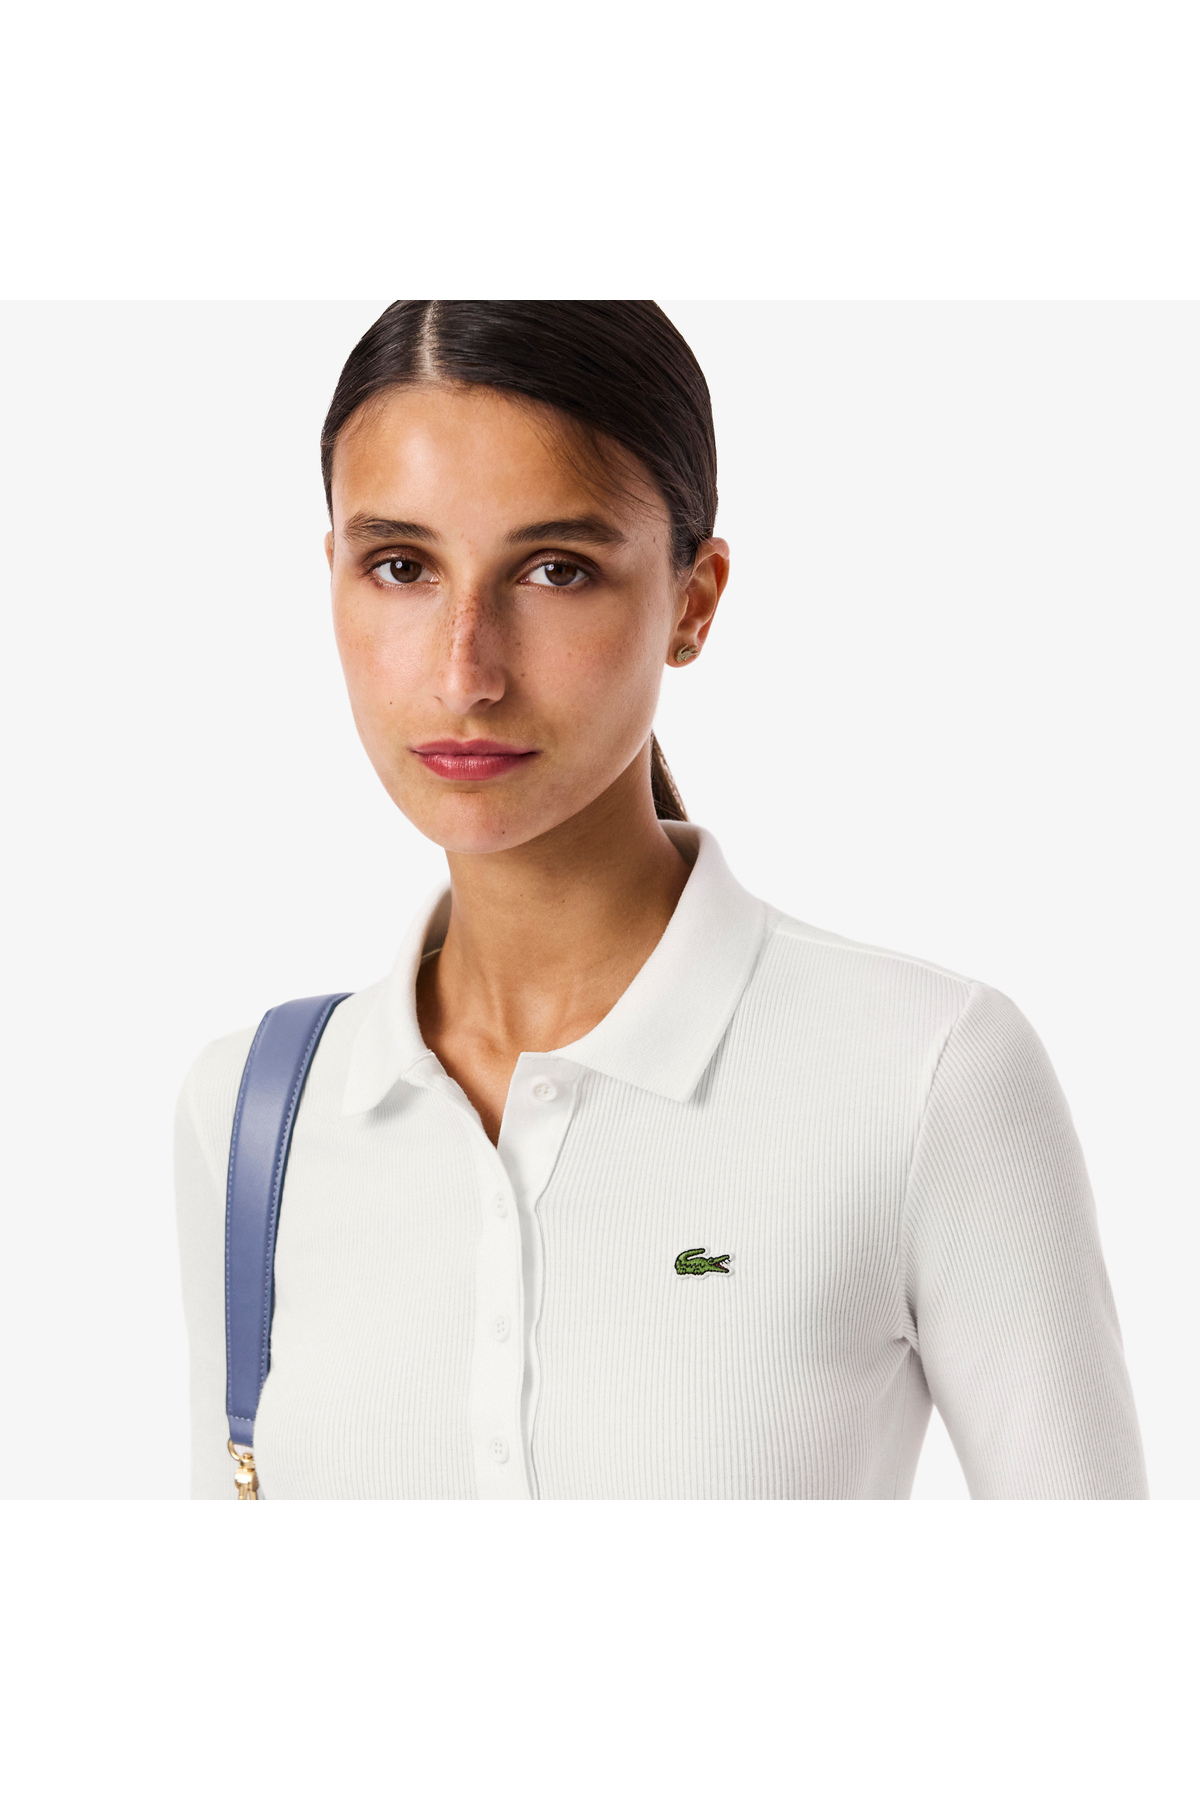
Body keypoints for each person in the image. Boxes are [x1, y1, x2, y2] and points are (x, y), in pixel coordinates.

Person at [175, 300, 1147, 1500]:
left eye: (556, 569)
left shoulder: (928, 1070)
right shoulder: (255, 1112)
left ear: (694, 600)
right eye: (402, 567)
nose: (465, 670)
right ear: (333, 575)